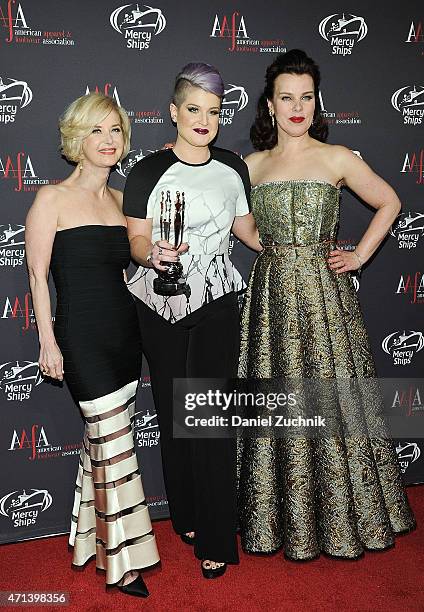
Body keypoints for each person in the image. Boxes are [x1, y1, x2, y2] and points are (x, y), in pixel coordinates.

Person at [237, 49, 415, 560]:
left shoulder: (338, 158)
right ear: (269, 106)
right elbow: (236, 220)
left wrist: (358, 254)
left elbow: (390, 202)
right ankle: (276, 518)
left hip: (324, 294)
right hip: (271, 295)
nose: (297, 107)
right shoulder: (250, 165)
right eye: (286, 98)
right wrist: (273, 250)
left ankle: (345, 517)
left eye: (306, 97)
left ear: (317, 103)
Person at [123, 63, 261, 578]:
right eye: (194, 109)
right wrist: (149, 254)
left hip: (216, 302)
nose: (204, 120)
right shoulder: (146, 171)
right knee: (172, 412)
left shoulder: (232, 168)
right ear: (174, 112)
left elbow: (245, 228)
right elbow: (134, 237)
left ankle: (218, 537)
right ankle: (188, 515)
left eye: (214, 112)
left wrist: (294, 251)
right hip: (156, 303)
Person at [25, 93, 159, 596]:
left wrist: (157, 254)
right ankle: (123, 562)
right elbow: (38, 277)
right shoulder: (50, 199)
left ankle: (87, 539)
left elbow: (138, 260)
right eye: (95, 131)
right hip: (80, 339)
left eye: (115, 131)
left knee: (101, 447)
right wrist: (48, 343)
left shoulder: (124, 203)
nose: (107, 141)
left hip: (125, 335)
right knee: (116, 445)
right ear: (76, 140)